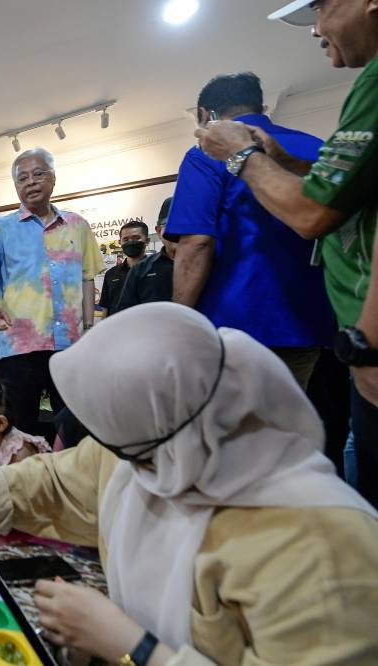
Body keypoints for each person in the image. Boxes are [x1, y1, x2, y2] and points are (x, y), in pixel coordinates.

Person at [0, 302, 378, 665]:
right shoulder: (166, 439)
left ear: (163, 441)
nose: (114, 457)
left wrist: (131, 645)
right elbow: (62, 476)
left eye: (120, 446)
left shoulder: (324, 547)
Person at [197, 0, 378, 508]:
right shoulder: (326, 128)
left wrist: (241, 155)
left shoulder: (375, 83)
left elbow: (311, 214)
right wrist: (281, 158)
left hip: (275, 335)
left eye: (322, 8)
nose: (317, 29)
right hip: (321, 332)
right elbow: (343, 186)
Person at [167, 72, 333, 390]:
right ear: (261, 106)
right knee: (287, 427)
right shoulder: (315, 148)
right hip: (307, 323)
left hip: (233, 325)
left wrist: (178, 322)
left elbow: (197, 243)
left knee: (230, 434)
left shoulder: (206, 153)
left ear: (205, 115)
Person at [0, 148, 103, 438]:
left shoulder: (77, 225)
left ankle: (69, 482)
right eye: (22, 178)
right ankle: (25, 483)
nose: (30, 182)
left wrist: (88, 328)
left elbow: (86, 278)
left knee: (73, 425)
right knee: (19, 429)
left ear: (53, 178)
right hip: (20, 345)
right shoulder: (1, 230)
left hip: (68, 345)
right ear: (16, 186)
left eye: (38, 174)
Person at [118, 197, 177, 311]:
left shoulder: (211, 266)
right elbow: (126, 315)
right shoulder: (140, 270)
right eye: (170, 225)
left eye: (187, 225)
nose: (179, 230)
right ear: (159, 231)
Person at [98, 221, 149, 317]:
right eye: (126, 239)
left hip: (150, 329)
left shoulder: (159, 270)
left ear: (147, 240)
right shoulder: (111, 274)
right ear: (120, 242)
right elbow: (106, 308)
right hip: (117, 329)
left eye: (136, 238)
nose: (130, 242)